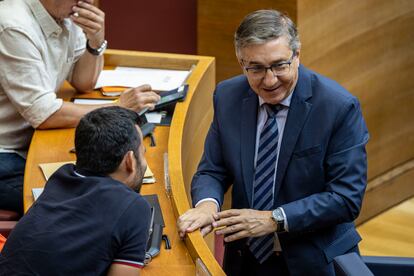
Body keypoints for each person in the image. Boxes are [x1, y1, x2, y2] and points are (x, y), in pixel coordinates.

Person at [177, 9, 369, 275]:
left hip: (314, 260)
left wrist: (274, 219)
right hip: (246, 258)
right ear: (240, 61)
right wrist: (207, 204)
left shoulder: (337, 107)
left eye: (280, 65)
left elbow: (346, 198)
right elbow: (213, 168)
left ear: (297, 55)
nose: (269, 80)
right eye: (255, 68)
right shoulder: (227, 96)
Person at [0, 0, 160, 215]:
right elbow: (44, 114)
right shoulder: (12, 25)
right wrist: (117, 107)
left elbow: (83, 82)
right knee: (84, 202)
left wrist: (95, 41)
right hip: (6, 151)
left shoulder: (66, 13)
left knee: (108, 182)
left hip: (30, 140)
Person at [0, 106, 151, 275]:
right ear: (129, 160)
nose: (144, 163)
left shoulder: (61, 177)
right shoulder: (134, 207)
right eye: (143, 154)